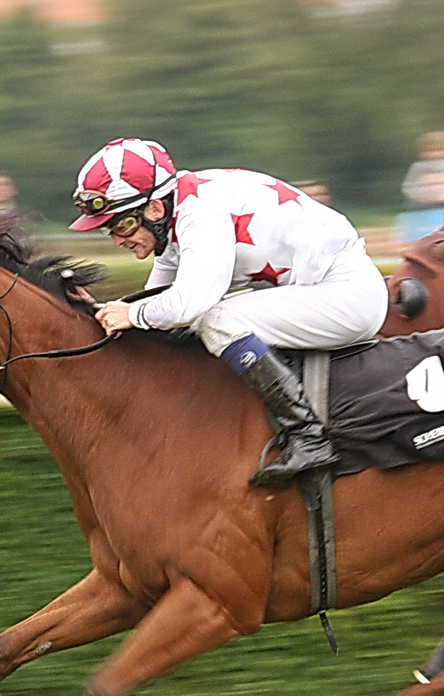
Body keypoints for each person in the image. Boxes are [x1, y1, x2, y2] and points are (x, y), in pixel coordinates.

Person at [70, 138, 386, 486]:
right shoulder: (178, 211)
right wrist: (102, 312)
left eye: (122, 224)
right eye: (108, 229)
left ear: (154, 210)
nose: (116, 239)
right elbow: (154, 299)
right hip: (322, 292)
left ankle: (309, 437)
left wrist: (131, 314)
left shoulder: (199, 215)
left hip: (347, 297)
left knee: (218, 320)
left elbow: (188, 305)